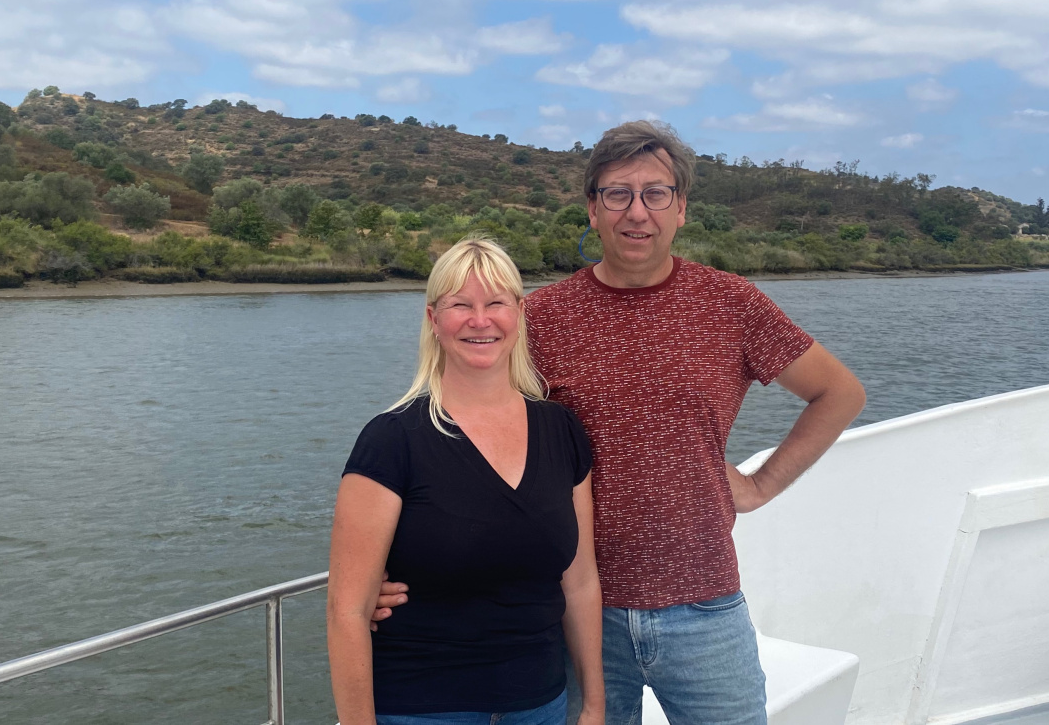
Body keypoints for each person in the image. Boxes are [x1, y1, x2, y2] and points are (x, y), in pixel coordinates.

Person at [374, 122, 867, 725]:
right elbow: (466, 435)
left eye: (656, 193)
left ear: (681, 208)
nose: (638, 212)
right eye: (618, 194)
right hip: (570, 612)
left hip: (704, 604)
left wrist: (762, 484)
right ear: (592, 208)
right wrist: (396, 571)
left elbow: (838, 392)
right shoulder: (543, 316)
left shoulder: (731, 303)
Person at [327, 237, 605, 725]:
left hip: (541, 704)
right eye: (461, 305)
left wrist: (595, 705)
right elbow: (347, 610)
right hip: (422, 708)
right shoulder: (392, 439)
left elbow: (579, 582)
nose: (480, 320)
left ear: (518, 314)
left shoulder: (561, 430)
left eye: (496, 303)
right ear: (434, 320)